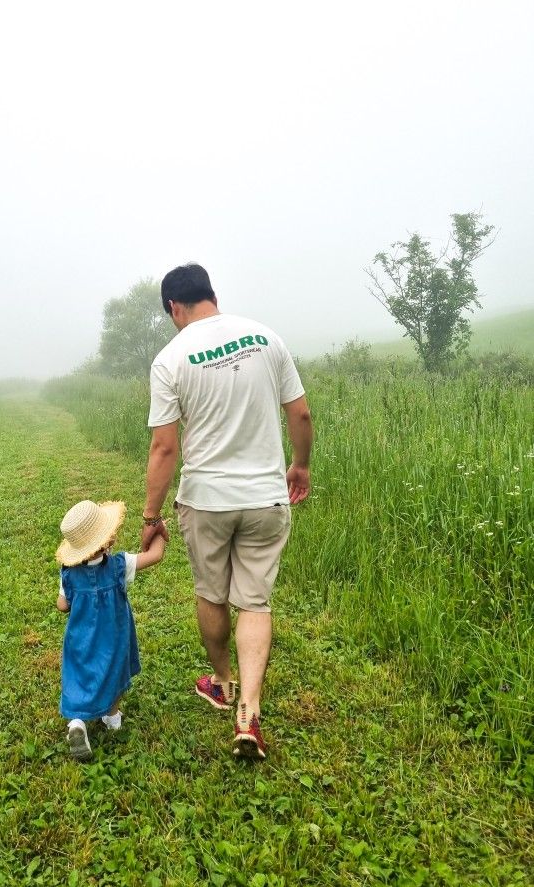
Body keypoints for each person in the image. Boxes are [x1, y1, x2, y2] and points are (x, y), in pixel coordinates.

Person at [142, 263, 312, 760]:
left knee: (212, 594)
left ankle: (222, 683)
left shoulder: (170, 359)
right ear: (211, 295)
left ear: (174, 307)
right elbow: (299, 413)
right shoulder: (266, 338)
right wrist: (299, 466)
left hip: (207, 501)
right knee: (255, 602)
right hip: (265, 496)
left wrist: (151, 517)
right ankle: (250, 713)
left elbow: (164, 449)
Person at [56, 498, 166, 761]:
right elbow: (156, 555)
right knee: (115, 669)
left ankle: (77, 723)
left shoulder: (68, 572)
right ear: (106, 540)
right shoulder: (119, 564)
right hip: (114, 635)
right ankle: (112, 716)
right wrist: (160, 530)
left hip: (80, 637)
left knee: (80, 673)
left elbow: (62, 605)